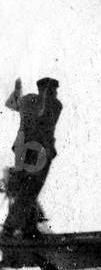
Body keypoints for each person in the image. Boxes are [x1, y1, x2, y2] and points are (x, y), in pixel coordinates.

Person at [3, 77, 62, 237]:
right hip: (39, 153)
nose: (55, 93)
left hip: (24, 150)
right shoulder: (54, 105)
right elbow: (42, 119)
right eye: (53, 90)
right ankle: (10, 228)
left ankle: (27, 228)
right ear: (48, 90)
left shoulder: (28, 100)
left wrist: (17, 91)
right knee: (29, 191)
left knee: (27, 191)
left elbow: (10, 104)